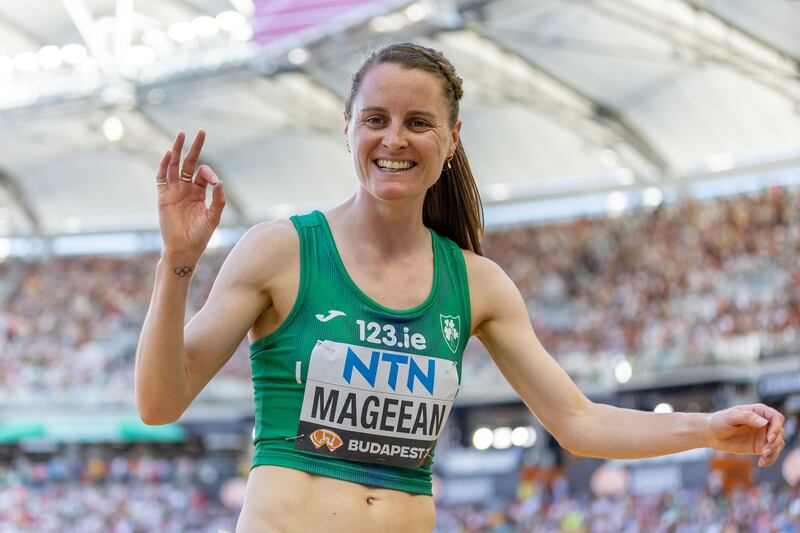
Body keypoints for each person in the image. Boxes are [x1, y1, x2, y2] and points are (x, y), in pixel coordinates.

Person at [135, 43, 786, 533]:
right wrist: (177, 262)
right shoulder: (283, 250)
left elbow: (579, 421)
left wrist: (707, 427)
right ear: (347, 128)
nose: (394, 138)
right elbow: (161, 401)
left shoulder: (477, 284)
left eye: (418, 121)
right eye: (376, 118)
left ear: (451, 139)